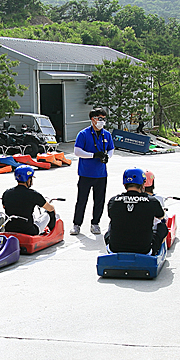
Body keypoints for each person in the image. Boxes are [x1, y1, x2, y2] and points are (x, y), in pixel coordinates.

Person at [71, 107, 115, 236]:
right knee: (82, 200)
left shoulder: (106, 135)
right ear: (93, 119)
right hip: (85, 173)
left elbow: (111, 148)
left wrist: (108, 156)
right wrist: (93, 155)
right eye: (99, 119)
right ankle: (76, 224)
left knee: (99, 200)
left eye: (104, 119)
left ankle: (95, 223)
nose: (102, 121)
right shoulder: (83, 134)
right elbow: (77, 151)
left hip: (101, 174)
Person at [106, 168, 166, 255]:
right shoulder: (151, 201)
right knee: (162, 227)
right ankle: (155, 252)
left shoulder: (113, 201)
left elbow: (112, 216)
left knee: (110, 227)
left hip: (115, 248)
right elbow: (161, 216)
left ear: (125, 184)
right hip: (143, 249)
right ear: (143, 184)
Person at [1, 166, 56, 236]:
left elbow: (5, 206)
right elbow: (50, 208)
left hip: (9, 228)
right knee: (49, 212)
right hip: (29, 230)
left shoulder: (7, 193)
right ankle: (51, 234)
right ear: (29, 179)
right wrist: (52, 206)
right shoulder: (33, 194)